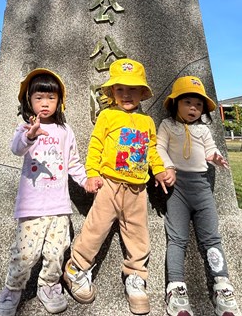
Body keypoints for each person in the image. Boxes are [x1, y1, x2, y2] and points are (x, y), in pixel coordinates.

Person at [63, 58, 171, 315]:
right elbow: (96, 146)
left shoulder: (147, 122)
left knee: (138, 234)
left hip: (138, 190)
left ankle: (136, 277)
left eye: (132, 89)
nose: (126, 94)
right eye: (120, 89)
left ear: (142, 93)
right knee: (95, 228)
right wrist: (91, 174)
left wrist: (159, 170)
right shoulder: (107, 116)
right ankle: (76, 268)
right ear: (111, 92)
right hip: (109, 185)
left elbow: (152, 150)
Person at [0, 68, 87, 316]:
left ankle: (49, 286)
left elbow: (74, 163)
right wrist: (30, 136)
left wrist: (87, 181)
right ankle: (12, 290)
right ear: (29, 101)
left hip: (59, 206)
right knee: (24, 254)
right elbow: (16, 149)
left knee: (56, 252)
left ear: (59, 101)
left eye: (51, 98)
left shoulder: (65, 131)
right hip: (31, 206)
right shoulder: (24, 128)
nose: (45, 103)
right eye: (38, 98)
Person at [156, 75, 242, 316]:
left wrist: (215, 156)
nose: (193, 108)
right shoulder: (167, 126)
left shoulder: (203, 129)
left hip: (202, 188)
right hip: (177, 189)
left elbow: (211, 148)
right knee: (177, 239)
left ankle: (222, 285)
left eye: (198, 104)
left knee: (211, 238)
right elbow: (159, 147)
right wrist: (167, 167)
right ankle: (176, 287)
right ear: (175, 104)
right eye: (188, 103)